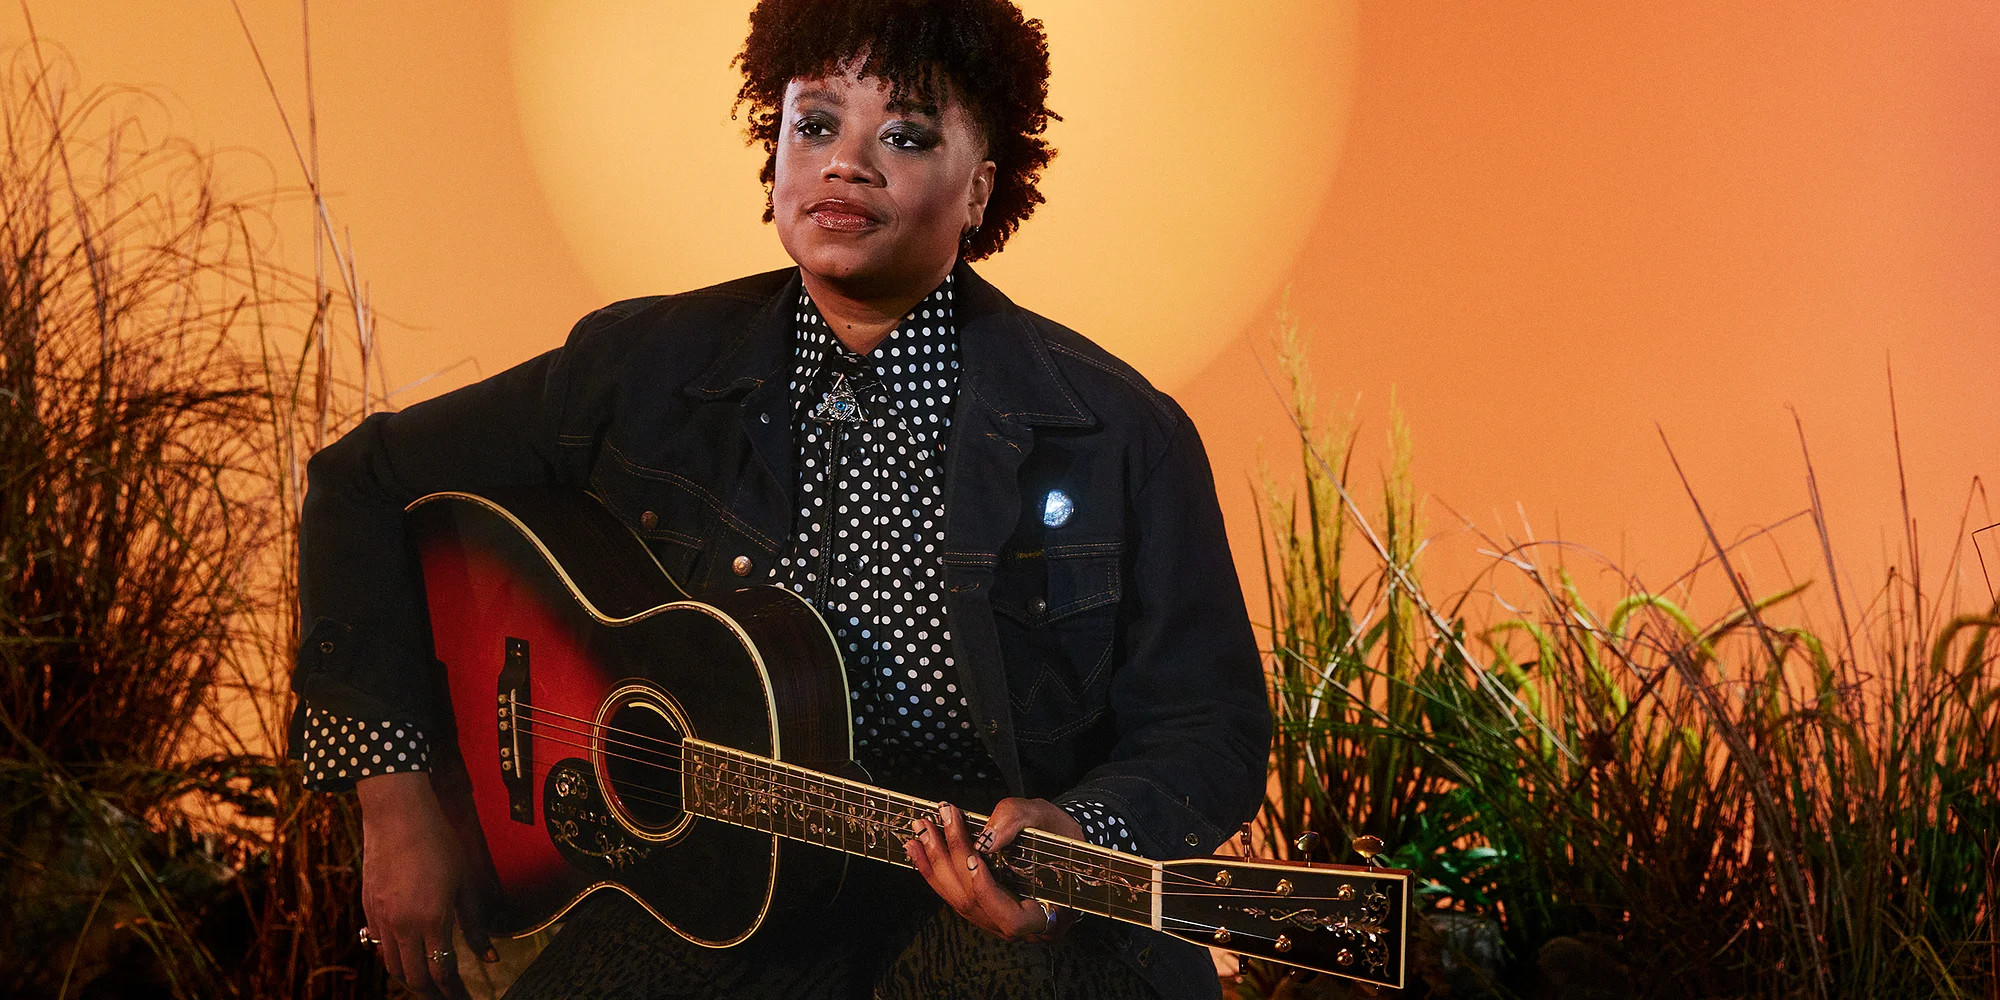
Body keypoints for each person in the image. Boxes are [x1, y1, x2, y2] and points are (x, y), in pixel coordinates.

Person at [288, 1, 1270, 997]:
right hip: (718, 895)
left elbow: (1212, 724)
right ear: (774, 152)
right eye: (816, 124)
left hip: (1000, 911)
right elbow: (360, 482)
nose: (846, 163)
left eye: (904, 136)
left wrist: (1082, 837)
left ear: (979, 189)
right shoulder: (644, 367)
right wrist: (397, 804)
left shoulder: (1117, 432)